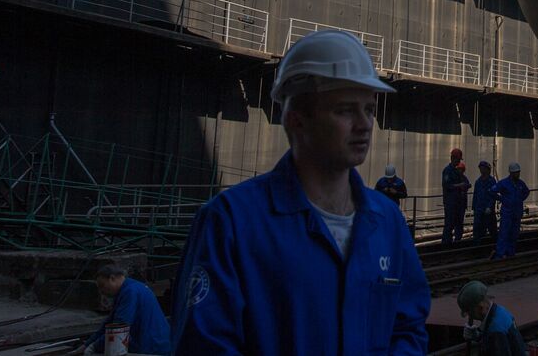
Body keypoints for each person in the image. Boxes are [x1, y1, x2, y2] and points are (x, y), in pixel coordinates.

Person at [171, 30, 429, 354]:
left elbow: (408, 328)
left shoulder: (387, 220)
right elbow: (204, 345)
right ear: (297, 120)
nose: (365, 124)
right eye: (345, 110)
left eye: (369, 109)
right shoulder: (230, 223)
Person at [76, 264, 171, 355]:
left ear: (112, 278)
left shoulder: (129, 292)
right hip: (155, 342)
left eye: (102, 286)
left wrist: (94, 346)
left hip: (150, 346)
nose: (101, 291)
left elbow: (119, 328)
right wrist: (87, 344)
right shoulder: (131, 288)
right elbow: (109, 322)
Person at [458, 280, 526, 356]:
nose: (469, 315)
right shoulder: (499, 310)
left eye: (469, 311)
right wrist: (478, 336)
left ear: (480, 307)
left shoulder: (496, 330)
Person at [491, 162, 530, 259]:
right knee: (504, 233)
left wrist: (520, 199)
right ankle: (500, 253)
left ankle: (510, 252)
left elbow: (526, 192)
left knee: (514, 234)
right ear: (511, 173)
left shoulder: (520, 183)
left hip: (517, 212)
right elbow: (492, 191)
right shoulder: (504, 183)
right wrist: (502, 199)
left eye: (518, 172)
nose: (518, 174)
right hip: (507, 213)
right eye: (516, 172)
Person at [442, 148, 471, 245]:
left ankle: (457, 242)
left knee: (459, 223)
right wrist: (459, 185)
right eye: (457, 159)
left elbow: (465, 183)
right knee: (449, 224)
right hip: (451, 202)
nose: (458, 162)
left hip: (459, 202)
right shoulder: (447, 171)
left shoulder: (456, 171)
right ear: (452, 158)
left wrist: (464, 186)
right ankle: (446, 244)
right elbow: (447, 185)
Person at [472, 161, 498, 240]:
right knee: (478, 231)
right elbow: (475, 195)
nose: (481, 170)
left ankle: (494, 243)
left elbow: (493, 195)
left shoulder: (492, 181)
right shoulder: (478, 182)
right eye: (480, 168)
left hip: (488, 210)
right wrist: (474, 208)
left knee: (492, 230)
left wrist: (490, 206)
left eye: (483, 168)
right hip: (479, 210)